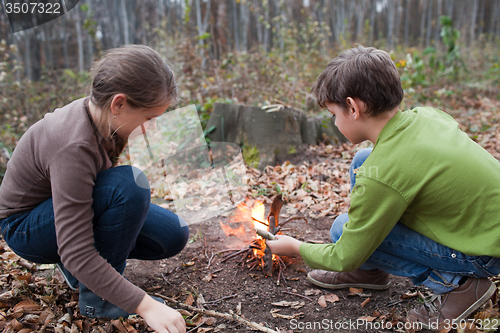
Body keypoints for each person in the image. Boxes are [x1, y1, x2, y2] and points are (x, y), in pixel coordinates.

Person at [266, 45, 500, 330]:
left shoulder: (384, 174)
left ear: (353, 108)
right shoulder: (427, 116)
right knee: (363, 161)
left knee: (342, 230)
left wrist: (296, 247)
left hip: (485, 252)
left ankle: (460, 285)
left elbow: (344, 254)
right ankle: (369, 272)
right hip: (485, 227)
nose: (334, 121)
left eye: (333, 113)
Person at [0, 45, 189, 333]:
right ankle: (97, 298)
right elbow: (75, 250)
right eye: (149, 119)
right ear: (119, 104)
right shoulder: (73, 146)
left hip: (57, 210)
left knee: (173, 233)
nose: (150, 129)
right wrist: (144, 305)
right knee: (128, 185)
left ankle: (88, 276)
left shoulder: (102, 118)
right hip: (24, 227)